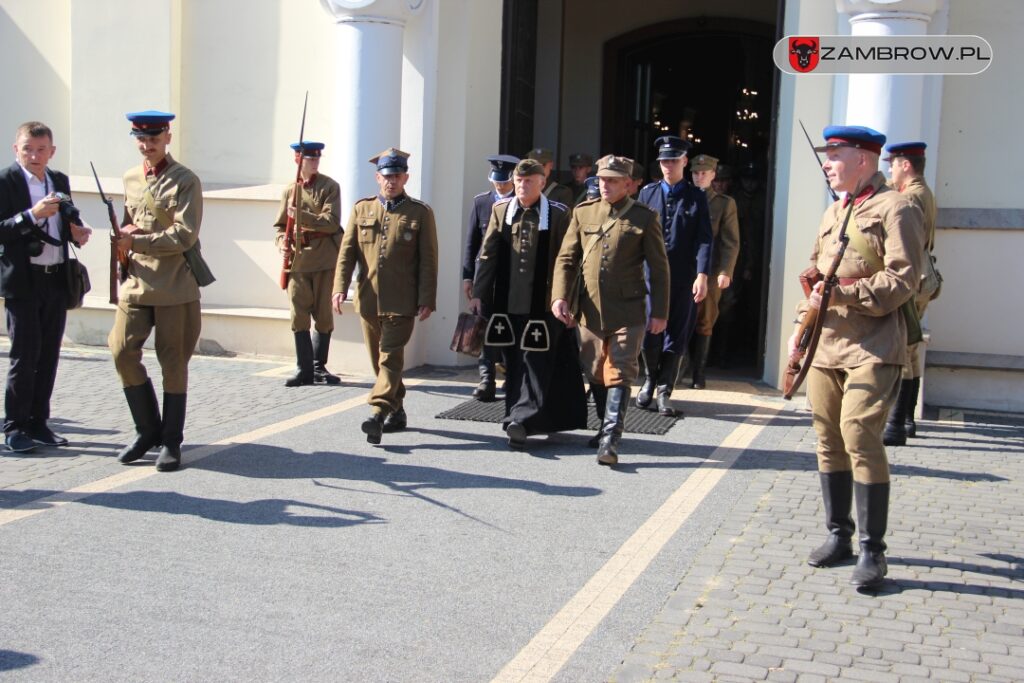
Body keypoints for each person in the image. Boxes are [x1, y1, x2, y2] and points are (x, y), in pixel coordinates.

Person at [789, 125, 924, 589]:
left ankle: (873, 550)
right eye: (826, 155)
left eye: (836, 155)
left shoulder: (897, 208)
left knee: (859, 434)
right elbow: (816, 274)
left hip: (873, 344)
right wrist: (799, 327)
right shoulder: (833, 211)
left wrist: (846, 293)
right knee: (827, 437)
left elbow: (904, 279)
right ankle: (838, 535)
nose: (827, 163)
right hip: (826, 345)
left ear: (864, 159)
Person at [551, 155, 670, 466]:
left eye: (614, 180)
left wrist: (659, 311)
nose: (606, 185)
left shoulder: (644, 217)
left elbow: (659, 269)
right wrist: (558, 297)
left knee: (619, 369)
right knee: (595, 369)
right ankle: (604, 426)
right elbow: (566, 259)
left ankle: (610, 439)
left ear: (628, 184)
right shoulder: (583, 213)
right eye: (603, 179)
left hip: (628, 309)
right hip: (589, 308)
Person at [109, 110, 204, 472]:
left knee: (173, 362)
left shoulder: (185, 180)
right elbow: (129, 223)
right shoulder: (131, 178)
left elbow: (184, 235)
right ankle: (147, 430)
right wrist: (122, 242)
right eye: (141, 139)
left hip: (174, 285)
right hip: (136, 283)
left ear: (167, 137)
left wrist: (137, 242)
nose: (146, 145)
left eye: (153, 138)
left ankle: (171, 441)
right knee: (120, 350)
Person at [470, 158, 587, 449]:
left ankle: (522, 420)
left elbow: (570, 261)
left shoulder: (559, 214)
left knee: (536, 362)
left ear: (542, 183)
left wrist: (569, 301)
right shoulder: (501, 210)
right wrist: (477, 293)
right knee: (512, 362)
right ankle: (514, 415)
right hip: (507, 304)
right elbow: (487, 255)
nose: (522, 186)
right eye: (519, 181)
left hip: (545, 305)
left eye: (529, 181)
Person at [332, 148, 438, 444]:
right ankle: (398, 410)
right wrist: (340, 288)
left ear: (406, 177)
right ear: (378, 178)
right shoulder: (361, 209)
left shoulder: (419, 212)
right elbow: (347, 254)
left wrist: (427, 298)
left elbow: (429, 259)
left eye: (397, 176)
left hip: (402, 302)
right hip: (368, 300)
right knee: (379, 362)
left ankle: (377, 413)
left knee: (390, 358)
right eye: (386, 176)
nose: (391, 181)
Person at [1, 121, 92, 453]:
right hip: (23, 282)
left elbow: (67, 221)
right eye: (28, 149)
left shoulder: (59, 181)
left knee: (50, 354)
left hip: (55, 278)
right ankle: (14, 427)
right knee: (24, 356)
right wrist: (30, 215)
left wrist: (77, 232)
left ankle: (40, 422)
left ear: (51, 152)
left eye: (41, 150)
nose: (34, 156)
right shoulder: (5, 181)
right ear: (16, 149)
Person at [635, 136, 711, 415]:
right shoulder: (647, 194)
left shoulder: (697, 197)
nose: (668, 165)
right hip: (650, 277)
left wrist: (702, 274)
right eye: (664, 161)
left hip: (682, 276)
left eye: (673, 160)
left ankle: (666, 389)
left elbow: (704, 239)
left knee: (677, 332)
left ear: (684, 162)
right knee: (649, 330)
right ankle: (649, 381)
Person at [274, 140, 343, 387]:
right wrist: (282, 240)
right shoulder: (289, 191)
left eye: (317, 159)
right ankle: (304, 369)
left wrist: (301, 215)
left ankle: (318, 366)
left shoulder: (329, 187)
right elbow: (281, 226)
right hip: (298, 260)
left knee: (323, 315)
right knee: (299, 315)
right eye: (310, 159)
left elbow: (331, 222)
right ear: (298, 160)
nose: (314, 162)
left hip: (324, 257)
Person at [881, 141, 936, 445]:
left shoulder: (911, 196)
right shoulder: (922, 191)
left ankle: (895, 422)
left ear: (905, 165)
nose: (889, 170)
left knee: (902, 345)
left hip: (913, 279)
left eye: (893, 164)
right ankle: (906, 420)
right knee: (912, 349)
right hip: (923, 278)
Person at [462, 154, 518, 402]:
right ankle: (486, 379)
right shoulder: (481, 202)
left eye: (504, 182)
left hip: (513, 279)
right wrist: (467, 278)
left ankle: (512, 376)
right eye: (497, 182)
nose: (500, 186)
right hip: (486, 279)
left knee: (510, 328)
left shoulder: (522, 203)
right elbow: (471, 243)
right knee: (485, 328)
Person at [689, 154, 739, 389]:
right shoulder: (683, 197)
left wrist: (725, 271)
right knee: (677, 319)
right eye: (696, 173)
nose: (699, 177)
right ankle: (676, 370)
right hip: (683, 269)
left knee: (705, 320)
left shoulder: (724, 203)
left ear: (713, 175)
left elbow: (730, 241)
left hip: (709, 270)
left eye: (704, 174)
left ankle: (699, 373)